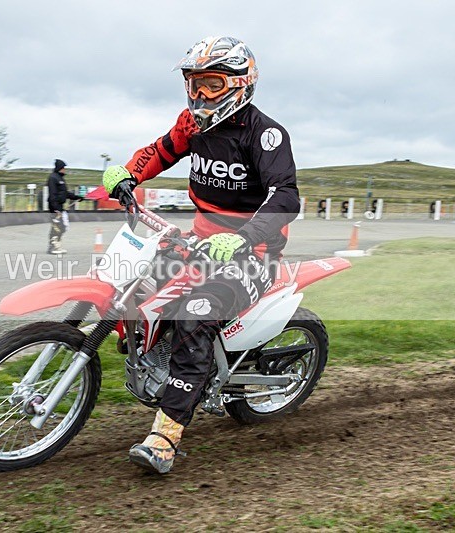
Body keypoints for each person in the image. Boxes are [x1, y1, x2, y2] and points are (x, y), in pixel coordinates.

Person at [102, 36, 300, 474]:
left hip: (254, 253)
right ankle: (153, 358)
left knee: (194, 313)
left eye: (211, 84)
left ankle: (165, 436)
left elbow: (286, 196)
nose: (199, 95)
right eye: (193, 84)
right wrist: (129, 173)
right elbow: (161, 151)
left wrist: (245, 237)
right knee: (131, 283)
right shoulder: (193, 125)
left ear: (239, 83)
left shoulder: (264, 134)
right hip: (200, 241)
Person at [47, 159, 82, 254]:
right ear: (59, 168)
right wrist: (55, 209)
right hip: (55, 207)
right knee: (57, 227)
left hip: (60, 207)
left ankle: (57, 245)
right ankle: (53, 247)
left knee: (63, 226)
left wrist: (77, 197)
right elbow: (52, 194)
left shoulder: (60, 178)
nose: (64, 170)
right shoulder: (53, 178)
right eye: (63, 168)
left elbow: (65, 193)